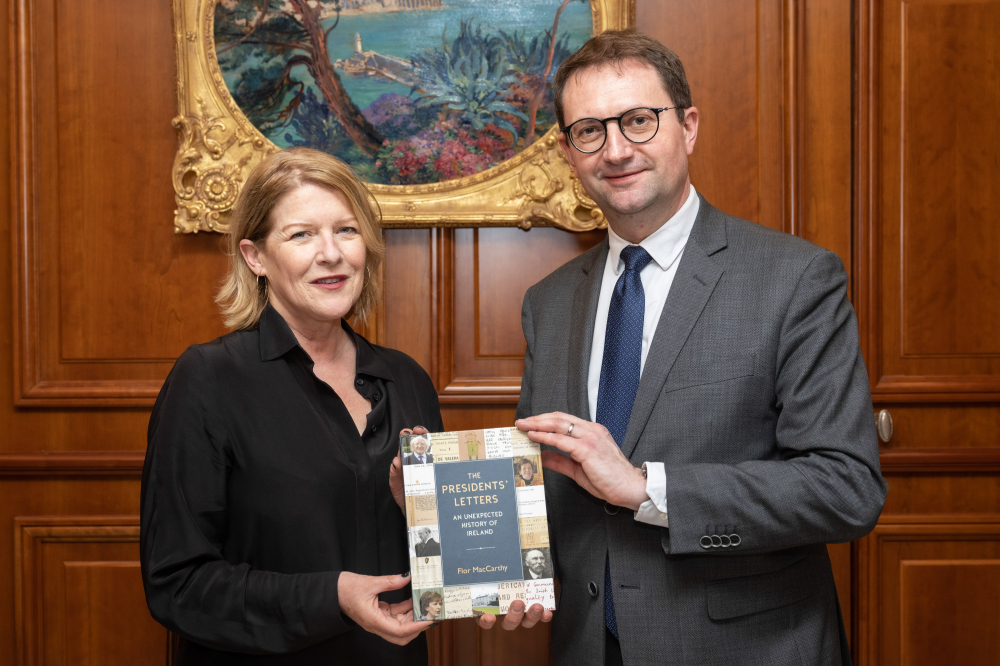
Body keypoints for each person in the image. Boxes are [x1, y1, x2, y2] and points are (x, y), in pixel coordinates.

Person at [480, 30, 886, 666]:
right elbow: (552, 485)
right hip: (591, 647)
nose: (616, 150)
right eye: (589, 131)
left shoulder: (795, 279)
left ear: (688, 126)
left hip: (742, 648)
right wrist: (459, 535)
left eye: (639, 121)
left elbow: (846, 488)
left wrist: (647, 488)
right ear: (568, 151)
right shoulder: (549, 302)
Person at [140, 148, 444, 665]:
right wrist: (331, 598)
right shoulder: (209, 380)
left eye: (346, 231)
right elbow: (178, 583)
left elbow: (442, 554)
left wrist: (425, 520)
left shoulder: (406, 379)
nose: (331, 253)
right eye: (301, 234)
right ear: (256, 257)